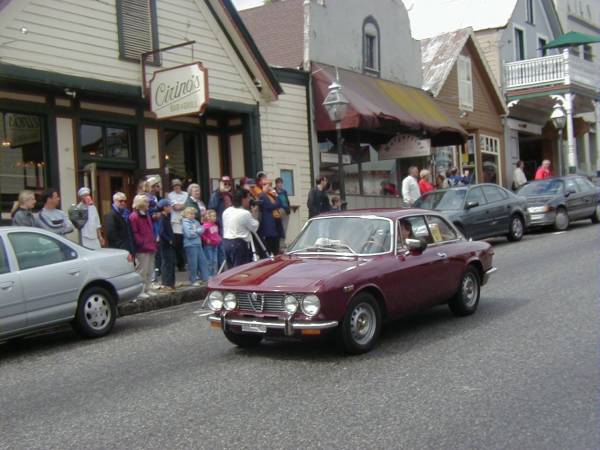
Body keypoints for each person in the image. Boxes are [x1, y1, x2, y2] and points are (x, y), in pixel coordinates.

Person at [129, 194, 157, 298]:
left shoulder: (147, 214)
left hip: (150, 245)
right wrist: (141, 242)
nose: (148, 204)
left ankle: (148, 288)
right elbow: (135, 232)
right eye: (146, 202)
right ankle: (140, 290)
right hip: (142, 248)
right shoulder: (134, 216)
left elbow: (150, 229)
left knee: (150, 269)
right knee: (142, 270)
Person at [222, 189, 259, 268]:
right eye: (248, 198)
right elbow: (254, 227)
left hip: (226, 242)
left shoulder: (226, 211)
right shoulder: (244, 213)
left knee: (231, 269)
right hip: (239, 244)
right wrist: (254, 213)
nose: (249, 200)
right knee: (241, 269)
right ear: (243, 199)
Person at [182, 206, 209, 285]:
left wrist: (196, 231)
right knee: (193, 263)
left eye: (193, 214)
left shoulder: (196, 221)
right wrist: (198, 231)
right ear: (186, 214)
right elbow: (189, 234)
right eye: (190, 214)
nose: (192, 215)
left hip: (198, 244)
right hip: (190, 245)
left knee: (203, 262)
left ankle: (205, 278)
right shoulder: (185, 223)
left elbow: (202, 229)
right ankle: (193, 280)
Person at [104, 192, 135, 262]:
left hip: (126, 250)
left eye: (125, 201)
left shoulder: (124, 214)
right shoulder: (111, 215)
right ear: (115, 201)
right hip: (118, 251)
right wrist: (125, 251)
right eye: (120, 201)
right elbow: (112, 236)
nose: (123, 203)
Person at [168, 178, 188, 272]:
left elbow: (186, 205)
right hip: (176, 222)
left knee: (186, 243)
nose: (176, 187)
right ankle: (180, 265)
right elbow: (176, 207)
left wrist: (182, 205)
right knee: (178, 244)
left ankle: (186, 262)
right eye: (175, 186)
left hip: (186, 220)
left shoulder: (186, 194)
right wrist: (183, 205)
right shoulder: (170, 195)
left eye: (178, 185)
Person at [258, 179, 282, 255]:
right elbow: (271, 206)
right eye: (269, 185)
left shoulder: (271, 195)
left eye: (271, 185)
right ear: (264, 186)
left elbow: (280, 203)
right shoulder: (262, 195)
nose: (270, 188)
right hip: (269, 227)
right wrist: (277, 200)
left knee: (276, 247)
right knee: (270, 248)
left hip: (275, 224)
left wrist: (276, 196)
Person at [157, 199, 175, 292]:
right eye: (169, 206)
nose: (171, 207)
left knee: (171, 262)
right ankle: (166, 283)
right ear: (164, 207)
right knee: (166, 263)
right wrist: (169, 240)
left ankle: (171, 283)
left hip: (169, 243)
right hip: (165, 244)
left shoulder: (167, 216)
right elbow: (161, 232)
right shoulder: (162, 218)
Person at [202, 209, 222, 276]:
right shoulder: (205, 225)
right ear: (208, 217)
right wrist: (206, 239)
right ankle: (209, 275)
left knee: (215, 261)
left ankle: (214, 275)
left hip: (215, 245)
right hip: (209, 246)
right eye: (213, 216)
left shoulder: (215, 225)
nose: (215, 218)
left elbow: (216, 234)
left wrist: (219, 239)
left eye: (215, 216)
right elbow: (202, 234)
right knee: (209, 261)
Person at [275, 177, 291, 243]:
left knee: (284, 228)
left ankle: (282, 243)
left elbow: (287, 201)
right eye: (279, 183)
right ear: (276, 184)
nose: (280, 184)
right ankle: (278, 244)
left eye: (281, 183)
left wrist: (288, 208)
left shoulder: (284, 192)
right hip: (278, 210)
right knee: (279, 228)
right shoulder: (274, 191)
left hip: (286, 211)